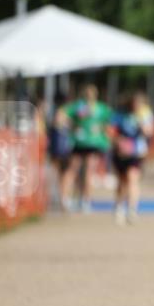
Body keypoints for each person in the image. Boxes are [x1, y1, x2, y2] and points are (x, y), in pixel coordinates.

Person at [64, 84, 113, 213]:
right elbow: (63, 116)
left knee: (80, 171)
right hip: (84, 142)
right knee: (79, 171)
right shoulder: (83, 107)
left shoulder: (97, 108)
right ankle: (78, 200)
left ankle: (77, 200)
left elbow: (109, 123)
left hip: (88, 143)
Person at [110, 92, 154, 225]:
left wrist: (142, 124)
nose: (137, 107)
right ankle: (119, 206)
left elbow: (149, 132)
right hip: (120, 153)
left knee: (132, 178)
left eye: (139, 104)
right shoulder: (120, 115)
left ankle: (132, 209)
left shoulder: (146, 115)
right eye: (135, 104)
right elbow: (110, 131)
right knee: (122, 181)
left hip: (136, 152)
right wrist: (118, 141)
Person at [48, 93, 74, 210]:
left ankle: (62, 197)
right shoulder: (61, 113)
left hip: (60, 148)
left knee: (62, 174)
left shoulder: (56, 112)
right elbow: (58, 125)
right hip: (60, 149)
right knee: (62, 174)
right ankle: (61, 198)